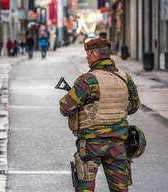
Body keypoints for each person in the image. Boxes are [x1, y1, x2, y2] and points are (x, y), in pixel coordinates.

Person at [59, 38, 143, 192]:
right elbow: (134, 106)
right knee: (120, 189)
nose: (87, 58)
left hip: (91, 145)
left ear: (95, 54)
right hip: (118, 144)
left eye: (88, 54)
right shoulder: (125, 78)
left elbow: (65, 107)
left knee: (85, 188)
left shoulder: (88, 80)